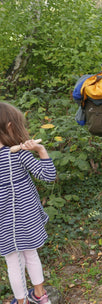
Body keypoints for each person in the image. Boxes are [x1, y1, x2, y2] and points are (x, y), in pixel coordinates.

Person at [0, 102, 57, 304]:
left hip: (4, 221)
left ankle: (22, 301)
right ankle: (40, 296)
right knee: (30, 255)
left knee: (13, 262)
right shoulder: (18, 154)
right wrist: (41, 150)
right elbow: (49, 176)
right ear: (9, 126)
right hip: (27, 216)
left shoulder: (15, 153)